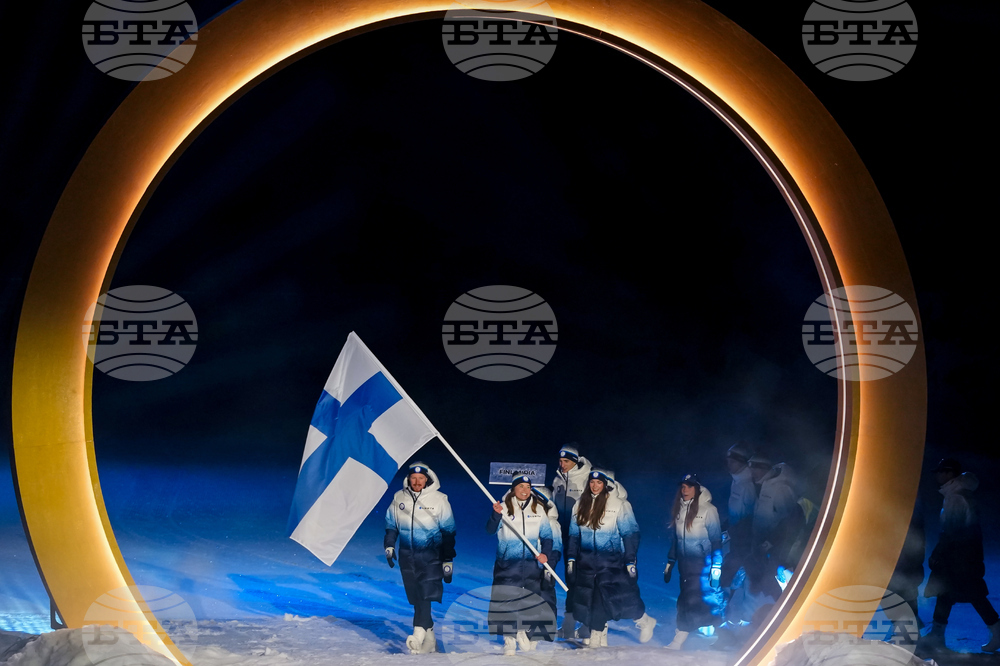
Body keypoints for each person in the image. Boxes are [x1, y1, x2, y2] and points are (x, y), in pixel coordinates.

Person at [567, 469, 656, 648]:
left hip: (610, 560)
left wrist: (630, 560)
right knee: (590, 598)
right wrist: (571, 558)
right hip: (586, 560)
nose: (594, 486)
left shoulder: (619, 505)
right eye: (591, 482)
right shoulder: (579, 504)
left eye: (599, 482)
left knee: (619, 597)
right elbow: (574, 535)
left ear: (606, 484)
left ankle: (644, 620)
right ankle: (598, 633)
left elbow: (630, 534)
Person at [923, 458, 1000, 653]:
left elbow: (952, 530)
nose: (937, 475)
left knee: (972, 594)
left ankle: (997, 630)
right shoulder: (958, 493)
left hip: (960, 556)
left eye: (940, 472)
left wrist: (937, 553)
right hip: (964, 554)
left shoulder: (956, 496)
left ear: (949, 474)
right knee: (946, 593)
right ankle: (937, 635)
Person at [384, 462, 456, 654]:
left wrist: (448, 559)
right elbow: (391, 525)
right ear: (409, 479)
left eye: (421, 478)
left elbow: (448, 531)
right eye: (414, 478)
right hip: (407, 556)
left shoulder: (440, 499)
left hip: (432, 556)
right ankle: (430, 640)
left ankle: (417, 635)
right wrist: (389, 546)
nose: (417, 482)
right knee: (416, 597)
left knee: (425, 594)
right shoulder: (399, 498)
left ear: (427, 479)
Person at [487, 474, 556, 655]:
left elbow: (547, 537)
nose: (525, 491)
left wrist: (545, 555)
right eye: (521, 487)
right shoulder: (503, 508)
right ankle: (508, 639)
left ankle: (522, 630)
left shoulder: (539, 509)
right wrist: (495, 515)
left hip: (531, 565)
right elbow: (489, 530)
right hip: (508, 564)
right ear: (513, 489)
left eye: (527, 487)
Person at [663, 473, 723, 650]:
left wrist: (716, 566)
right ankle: (724, 633)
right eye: (683, 486)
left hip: (702, 565)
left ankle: (679, 638)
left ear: (697, 489)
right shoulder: (680, 509)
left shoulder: (708, 510)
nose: (685, 490)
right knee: (693, 600)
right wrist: (670, 561)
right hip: (685, 565)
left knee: (691, 600)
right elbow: (676, 539)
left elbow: (716, 540)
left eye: (689, 486)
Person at [551, 444, 592, 637]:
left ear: (575, 462)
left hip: (583, 539)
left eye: (566, 461)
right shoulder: (558, 480)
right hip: (564, 537)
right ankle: (569, 625)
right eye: (560, 461)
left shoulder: (587, 479)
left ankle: (589, 623)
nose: (562, 464)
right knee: (570, 579)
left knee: (583, 581)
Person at [722, 443, 756, 588]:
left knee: (733, 573)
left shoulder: (748, 485)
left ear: (742, 463)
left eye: (733, 461)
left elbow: (752, 515)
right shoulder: (736, 481)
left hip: (745, 541)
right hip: (736, 538)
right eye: (728, 461)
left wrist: (735, 530)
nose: (729, 464)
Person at [531, 486, 563, 621]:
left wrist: (549, 566)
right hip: (530, 563)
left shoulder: (551, 523)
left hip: (545, 564)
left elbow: (556, 547)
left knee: (546, 590)